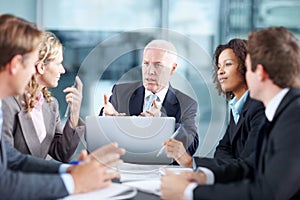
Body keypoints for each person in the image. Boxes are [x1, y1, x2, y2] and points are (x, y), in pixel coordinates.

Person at [161, 27, 300, 199]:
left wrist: (190, 192)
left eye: (247, 69)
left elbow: (267, 192)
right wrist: (205, 176)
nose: (246, 76)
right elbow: (250, 166)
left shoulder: (293, 116)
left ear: (260, 73)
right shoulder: (279, 111)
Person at [0, 14, 125, 200]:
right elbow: (5, 183)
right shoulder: (7, 104)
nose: (33, 71)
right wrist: (75, 182)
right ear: (17, 64)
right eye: (31, 65)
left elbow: (13, 159)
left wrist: (73, 170)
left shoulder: (48, 105)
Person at [163, 39, 265, 168]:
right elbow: (222, 150)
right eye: (219, 66)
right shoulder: (237, 107)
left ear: (247, 66)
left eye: (227, 64)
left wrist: (190, 162)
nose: (220, 71)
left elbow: (247, 165)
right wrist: (230, 164)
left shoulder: (259, 107)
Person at [100, 39, 199, 156]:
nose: (150, 71)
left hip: (163, 169)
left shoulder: (186, 104)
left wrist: (163, 122)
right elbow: (97, 139)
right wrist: (106, 120)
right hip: (125, 166)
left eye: (158, 65)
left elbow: (191, 147)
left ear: (172, 69)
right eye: (146, 64)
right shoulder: (120, 93)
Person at [2, 31, 84, 163]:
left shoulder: (51, 105)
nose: (62, 70)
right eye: (58, 64)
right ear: (41, 67)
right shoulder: (8, 103)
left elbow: (62, 153)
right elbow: (8, 162)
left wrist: (74, 114)